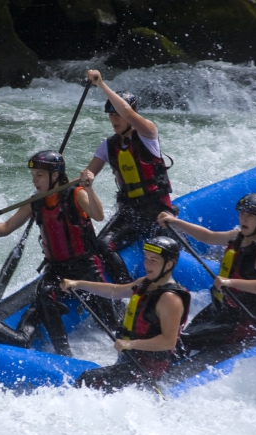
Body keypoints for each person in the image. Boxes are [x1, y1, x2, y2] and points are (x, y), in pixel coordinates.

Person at [0, 150, 118, 357]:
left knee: (109, 317)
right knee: (45, 294)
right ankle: (64, 353)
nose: (34, 180)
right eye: (33, 175)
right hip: (57, 269)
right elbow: (5, 228)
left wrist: (89, 187)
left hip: (86, 265)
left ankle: (122, 340)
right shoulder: (35, 202)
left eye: (39, 175)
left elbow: (98, 215)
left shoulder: (76, 194)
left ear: (55, 175)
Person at [80, 69, 175, 285]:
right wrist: (84, 179)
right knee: (101, 245)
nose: (114, 119)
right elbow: (88, 175)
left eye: (118, 114)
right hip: (131, 213)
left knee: (165, 251)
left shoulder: (148, 133)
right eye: (111, 115)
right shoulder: (108, 145)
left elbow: (130, 114)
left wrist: (101, 85)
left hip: (157, 210)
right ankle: (124, 288)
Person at [60, 236, 190, 393]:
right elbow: (115, 291)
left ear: (169, 264)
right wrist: (79, 284)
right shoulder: (146, 283)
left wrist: (131, 344)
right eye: (146, 258)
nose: (147, 264)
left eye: (154, 260)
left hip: (149, 368)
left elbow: (168, 342)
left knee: (88, 380)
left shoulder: (170, 299)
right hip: (131, 358)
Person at [159, 194, 256, 352]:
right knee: (178, 336)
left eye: (250, 216)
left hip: (243, 322)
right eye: (242, 214)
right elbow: (208, 237)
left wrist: (230, 282)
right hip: (221, 308)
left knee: (182, 341)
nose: (243, 219)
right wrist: (175, 221)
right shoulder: (238, 236)